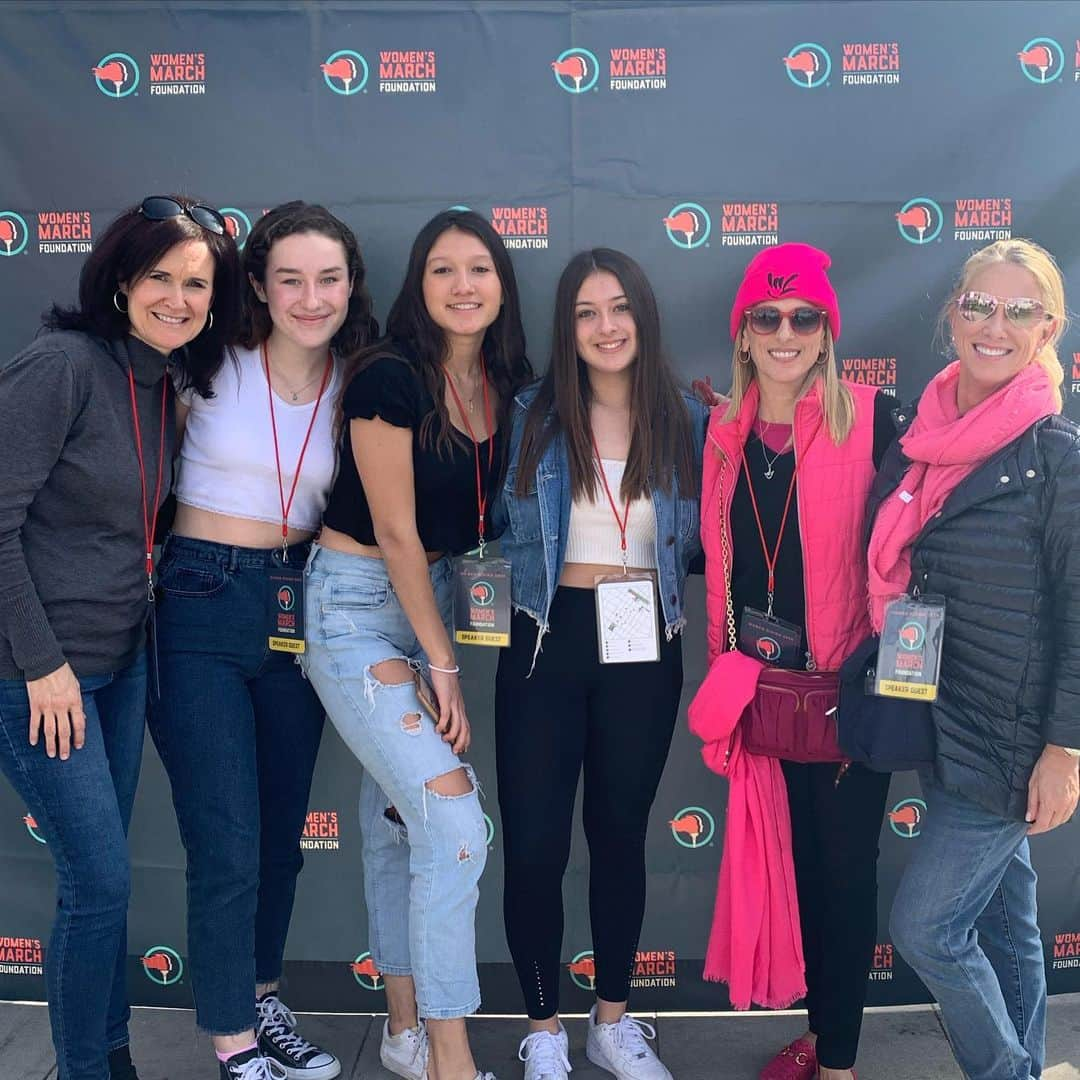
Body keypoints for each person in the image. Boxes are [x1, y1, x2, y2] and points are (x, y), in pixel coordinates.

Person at [0, 195, 240, 1080]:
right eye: (160, 278)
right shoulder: (61, 366)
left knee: (105, 890)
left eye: (196, 284)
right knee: (97, 885)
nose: (177, 298)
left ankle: (109, 1059)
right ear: (120, 280)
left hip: (119, 664)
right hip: (38, 676)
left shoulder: (159, 380)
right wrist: (42, 666)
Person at [147, 201, 377, 1080]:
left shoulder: (360, 380)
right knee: (229, 838)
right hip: (200, 598)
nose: (310, 297)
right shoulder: (206, 362)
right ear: (258, 286)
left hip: (300, 600)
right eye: (290, 278)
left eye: (328, 279)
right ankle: (232, 1041)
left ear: (350, 288)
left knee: (281, 834)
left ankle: (262, 997)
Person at [301, 208, 532, 1080]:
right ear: (418, 284)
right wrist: (445, 665)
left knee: (399, 826)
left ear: (502, 284)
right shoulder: (387, 377)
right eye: (442, 269)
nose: (462, 285)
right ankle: (449, 1055)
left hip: (430, 599)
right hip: (356, 606)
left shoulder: (505, 382)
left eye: (479, 268)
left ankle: (400, 1031)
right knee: (454, 824)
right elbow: (395, 530)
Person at [869, 239, 1080, 1080]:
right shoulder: (924, 435)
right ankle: (1024, 1064)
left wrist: (1065, 750)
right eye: (979, 305)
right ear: (952, 314)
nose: (995, 325)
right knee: (1006, 921)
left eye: (1018, 310)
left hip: (1009, 738)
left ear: (1048, 329)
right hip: (938, 715)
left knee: (927, 930)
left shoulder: (1057, 455)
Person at [495, 248, 707, 1080]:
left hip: (645, 643)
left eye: (619, 307)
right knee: (537, 845)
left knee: (619, 835)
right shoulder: (528, 414)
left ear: (644, 315)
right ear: (566, 325)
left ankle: (611, 1022)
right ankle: (544, 1029)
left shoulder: (687, 419)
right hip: (547, 640)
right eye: (586, 312)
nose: (605, 326)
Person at [693, 243, 896, 1080]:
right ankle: (819, 1033)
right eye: (767, 317)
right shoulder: (719, 431)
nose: (786, 332)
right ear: (743, 333)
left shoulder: (877, 417)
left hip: (849, 695)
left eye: (803, 317)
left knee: (843, 877)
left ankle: (840, 1063)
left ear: (826, 333)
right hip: (761, 692)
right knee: (793, 874)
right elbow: (718, 564)